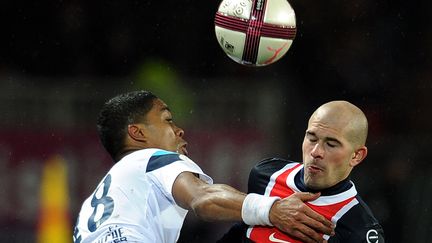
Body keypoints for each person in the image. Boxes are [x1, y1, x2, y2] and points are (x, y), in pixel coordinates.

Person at [73, 90, 334, 243]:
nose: (179, 129)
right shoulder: (151, 158)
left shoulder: (95, 204)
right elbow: (203, 198)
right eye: (168, 120)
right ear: (137, 133)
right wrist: (272, 209)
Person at [218, 100, 385, 242]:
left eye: (331, 144)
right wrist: (270, 210)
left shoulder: (360, 228)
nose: (316, 152)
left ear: (356, 156)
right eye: (311, 138)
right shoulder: (266, 174)